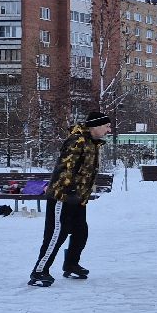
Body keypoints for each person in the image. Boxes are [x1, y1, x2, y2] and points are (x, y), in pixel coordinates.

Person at [28, 110, 112, 287]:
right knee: (56, 234)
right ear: (96, 126)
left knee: (81, 232)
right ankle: (39, 271)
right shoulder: (77, 141)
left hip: (78, 198)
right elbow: (66, 168)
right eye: (106, 126)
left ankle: (71, 264)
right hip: (64, 196)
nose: (109, 130)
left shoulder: (92, 142)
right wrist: (71, 191)